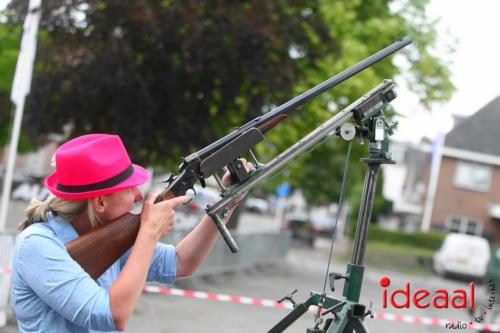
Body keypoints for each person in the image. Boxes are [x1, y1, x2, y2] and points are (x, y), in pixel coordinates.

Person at [9, 133, 251, 333]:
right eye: (129, 188)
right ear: (100, 203)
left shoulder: (107, 234)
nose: (138, 195)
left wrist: (227, 201)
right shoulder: (37, 244)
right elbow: (112, 315)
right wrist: (149, 231)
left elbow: (181, 263)